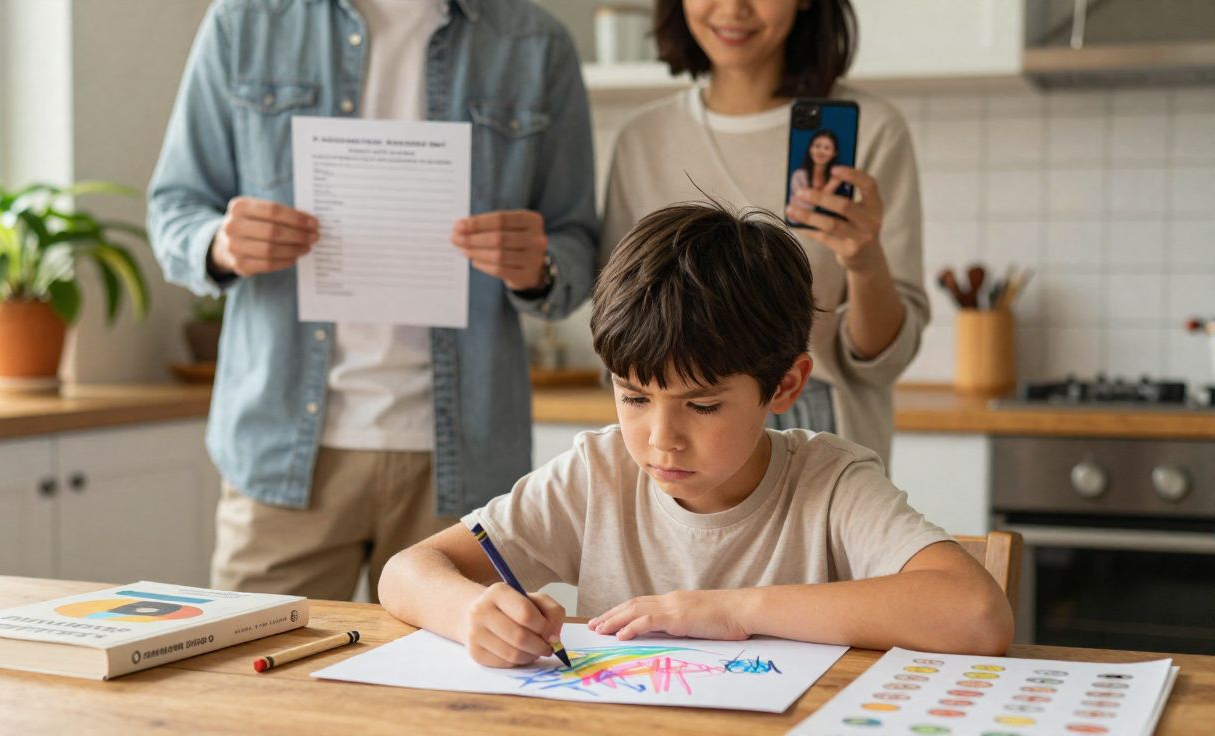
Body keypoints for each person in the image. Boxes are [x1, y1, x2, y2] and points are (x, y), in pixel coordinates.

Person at [379, 202, 1013, 666]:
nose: (661, 438)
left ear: (785, 386)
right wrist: (472, 615)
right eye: (633, 397)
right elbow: (407, 571)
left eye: (702, 406)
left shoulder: (830, 481)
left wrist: (732, 609)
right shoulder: (596, 473)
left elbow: (977, 614)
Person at [147, 0, 597, 601]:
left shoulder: (535, 42)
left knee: (449, 692)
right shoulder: (246, 21)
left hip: (465, 456)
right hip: (284, 453)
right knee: (252, 682)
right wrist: (219, 244)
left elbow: (577, 242)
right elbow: (175, 205)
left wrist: (537, 265)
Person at [602, 0, 927, 465]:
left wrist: (863, 260)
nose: (733, 9)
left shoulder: (873, 130)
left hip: (819, 420)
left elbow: (884, 361)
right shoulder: (643, 139)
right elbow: (618, 325)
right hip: (676, 423)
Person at [788, 128, 838, 209]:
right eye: (817, 146)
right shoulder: (798, 175)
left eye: (827, 148)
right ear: (810, 149)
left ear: (834, 153)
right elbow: (801, 205)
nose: (820, 151)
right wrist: (832, 184)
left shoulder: (838, 178)